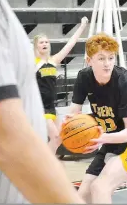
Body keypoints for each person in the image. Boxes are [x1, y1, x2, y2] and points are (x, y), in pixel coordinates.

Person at [0, 0, 84, 203]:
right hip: (45, 112)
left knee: (55, 138)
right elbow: (6, 136)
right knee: (53, 137)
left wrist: (81, 28)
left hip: (50, 109)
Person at [63, 33, 127, 204]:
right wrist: (70, 124)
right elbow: (74, 113)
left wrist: (99, 138)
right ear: (89, 60)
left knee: (100, 187)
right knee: (82, 197)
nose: (107, 64)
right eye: (101, 58)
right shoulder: (84, 78)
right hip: (111, 139)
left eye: (111, 58)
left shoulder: (124, 82)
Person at [34, 17, 88, 153]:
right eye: (41, 42)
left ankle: (45, 162)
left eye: (46, 41)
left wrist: (82, 26)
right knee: (56, 137)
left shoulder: (53, 61)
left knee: (59, 138)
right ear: (36, 45)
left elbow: (70, 45)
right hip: (39, 108)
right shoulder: (32, 62)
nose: (45, 44)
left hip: (52, 107)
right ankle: (46, 163)